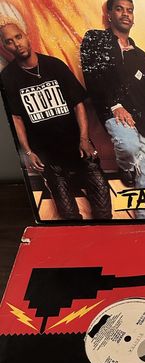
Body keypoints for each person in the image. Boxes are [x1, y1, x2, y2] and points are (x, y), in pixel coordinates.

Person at [0, 17, 112, 220]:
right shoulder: (7, 78)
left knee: (104, 213)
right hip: (48, 158)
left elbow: (78, 104)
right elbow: (16, 118)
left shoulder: (54, 65)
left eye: (18, 37)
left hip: (79, 148)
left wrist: (84, 139)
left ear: (27, 36)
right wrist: (28, 152)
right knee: (68, 216)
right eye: (9, 41)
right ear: (4, 46)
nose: (16, 44)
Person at [80, 0, 145, 219]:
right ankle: (126, 168)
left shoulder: (141, 56)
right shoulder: (95, 39)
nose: (125, 14)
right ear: (109, 15)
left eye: (129, 10)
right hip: (113, 111)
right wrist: (115, 105)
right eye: (119, 9)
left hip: (144, 121)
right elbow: (92, 77)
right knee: (128, 146)